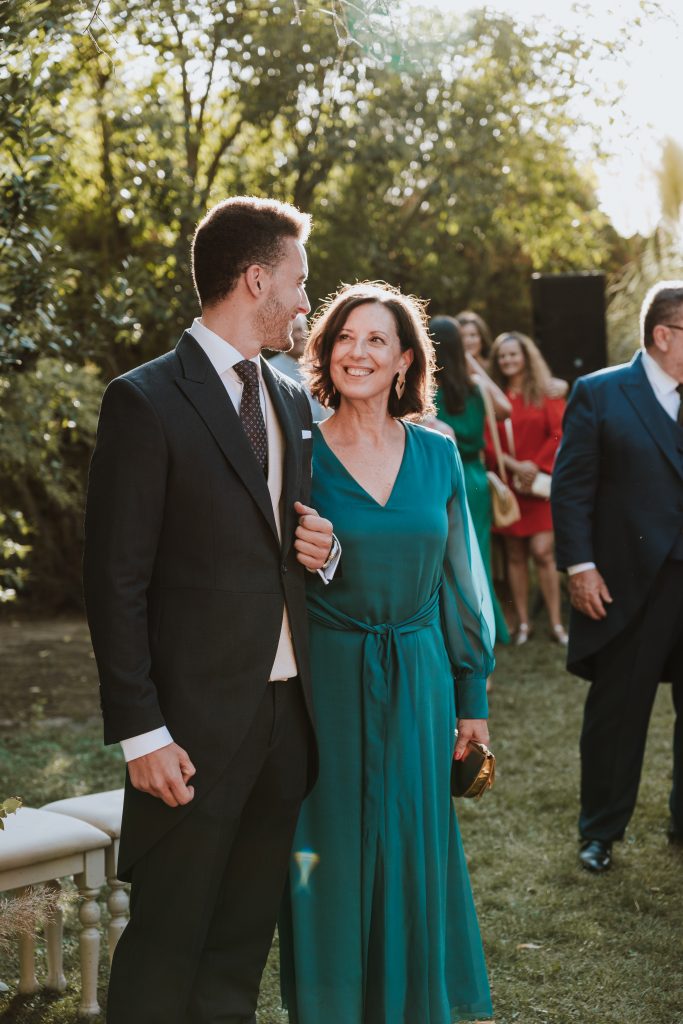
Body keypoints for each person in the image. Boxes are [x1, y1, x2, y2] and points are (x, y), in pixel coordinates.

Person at [83, 196, 338, 1024]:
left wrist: (325, 551)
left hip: (286, 721)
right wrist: (142, 734)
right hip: (189, 731)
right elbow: (114, 581)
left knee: (238, 949)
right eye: (299, 282)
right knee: (166, 948)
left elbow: (285, 541)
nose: (305, 302)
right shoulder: (145, 399)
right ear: (256, 280)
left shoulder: (290, 398)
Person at [279, 282, 495, 1024]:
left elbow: (461, 584)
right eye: (344, 337)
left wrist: (472, 699)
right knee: (327, 850)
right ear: (324, 351)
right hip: (328, 677)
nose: (357, 352)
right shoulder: (298, 454)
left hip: (421, 676)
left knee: (409, 843)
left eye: (376, 339)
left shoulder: (438, 452)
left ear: (405, 359)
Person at [551, 280, 683, 873]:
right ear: (664, 335)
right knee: (618, 713)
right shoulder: (601, 393)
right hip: (630, 585)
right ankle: (600, 830)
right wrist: (580, 567)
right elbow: (571, 488)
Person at [431, 315, 511, 646]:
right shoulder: (475, 387)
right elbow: (505, 407)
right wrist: (469, 360)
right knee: (478, 559)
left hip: (445, 476)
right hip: (475, 479)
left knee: (452, 560)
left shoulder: (428, 390)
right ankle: (486, 629)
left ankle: (467, 631)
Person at [485, 331, 567, 645]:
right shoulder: (494, 396)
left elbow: (559, 432)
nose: (508, 360)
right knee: (515, 555)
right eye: (503, 356)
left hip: (540, 484)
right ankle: (523, 623)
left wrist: (536, 465)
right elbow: (487, 440)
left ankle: (556, 624)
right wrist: (516, 466)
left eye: (513, 354)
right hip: (510, 484)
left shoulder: (546, 392)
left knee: (543, 552)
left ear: (526, 357)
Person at [457, 308, 569, 399]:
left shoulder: (494, 367)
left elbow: (527, 379)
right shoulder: (452, 370)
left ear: (482, 338)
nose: (467, 341)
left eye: (473, 335)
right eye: (462, 336)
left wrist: (563, 385)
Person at [269, 313, 331, 421]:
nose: (297, 336)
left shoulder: (325, 364)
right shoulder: (270, 370)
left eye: (299, 329)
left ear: (307, 331)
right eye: (291, 331)